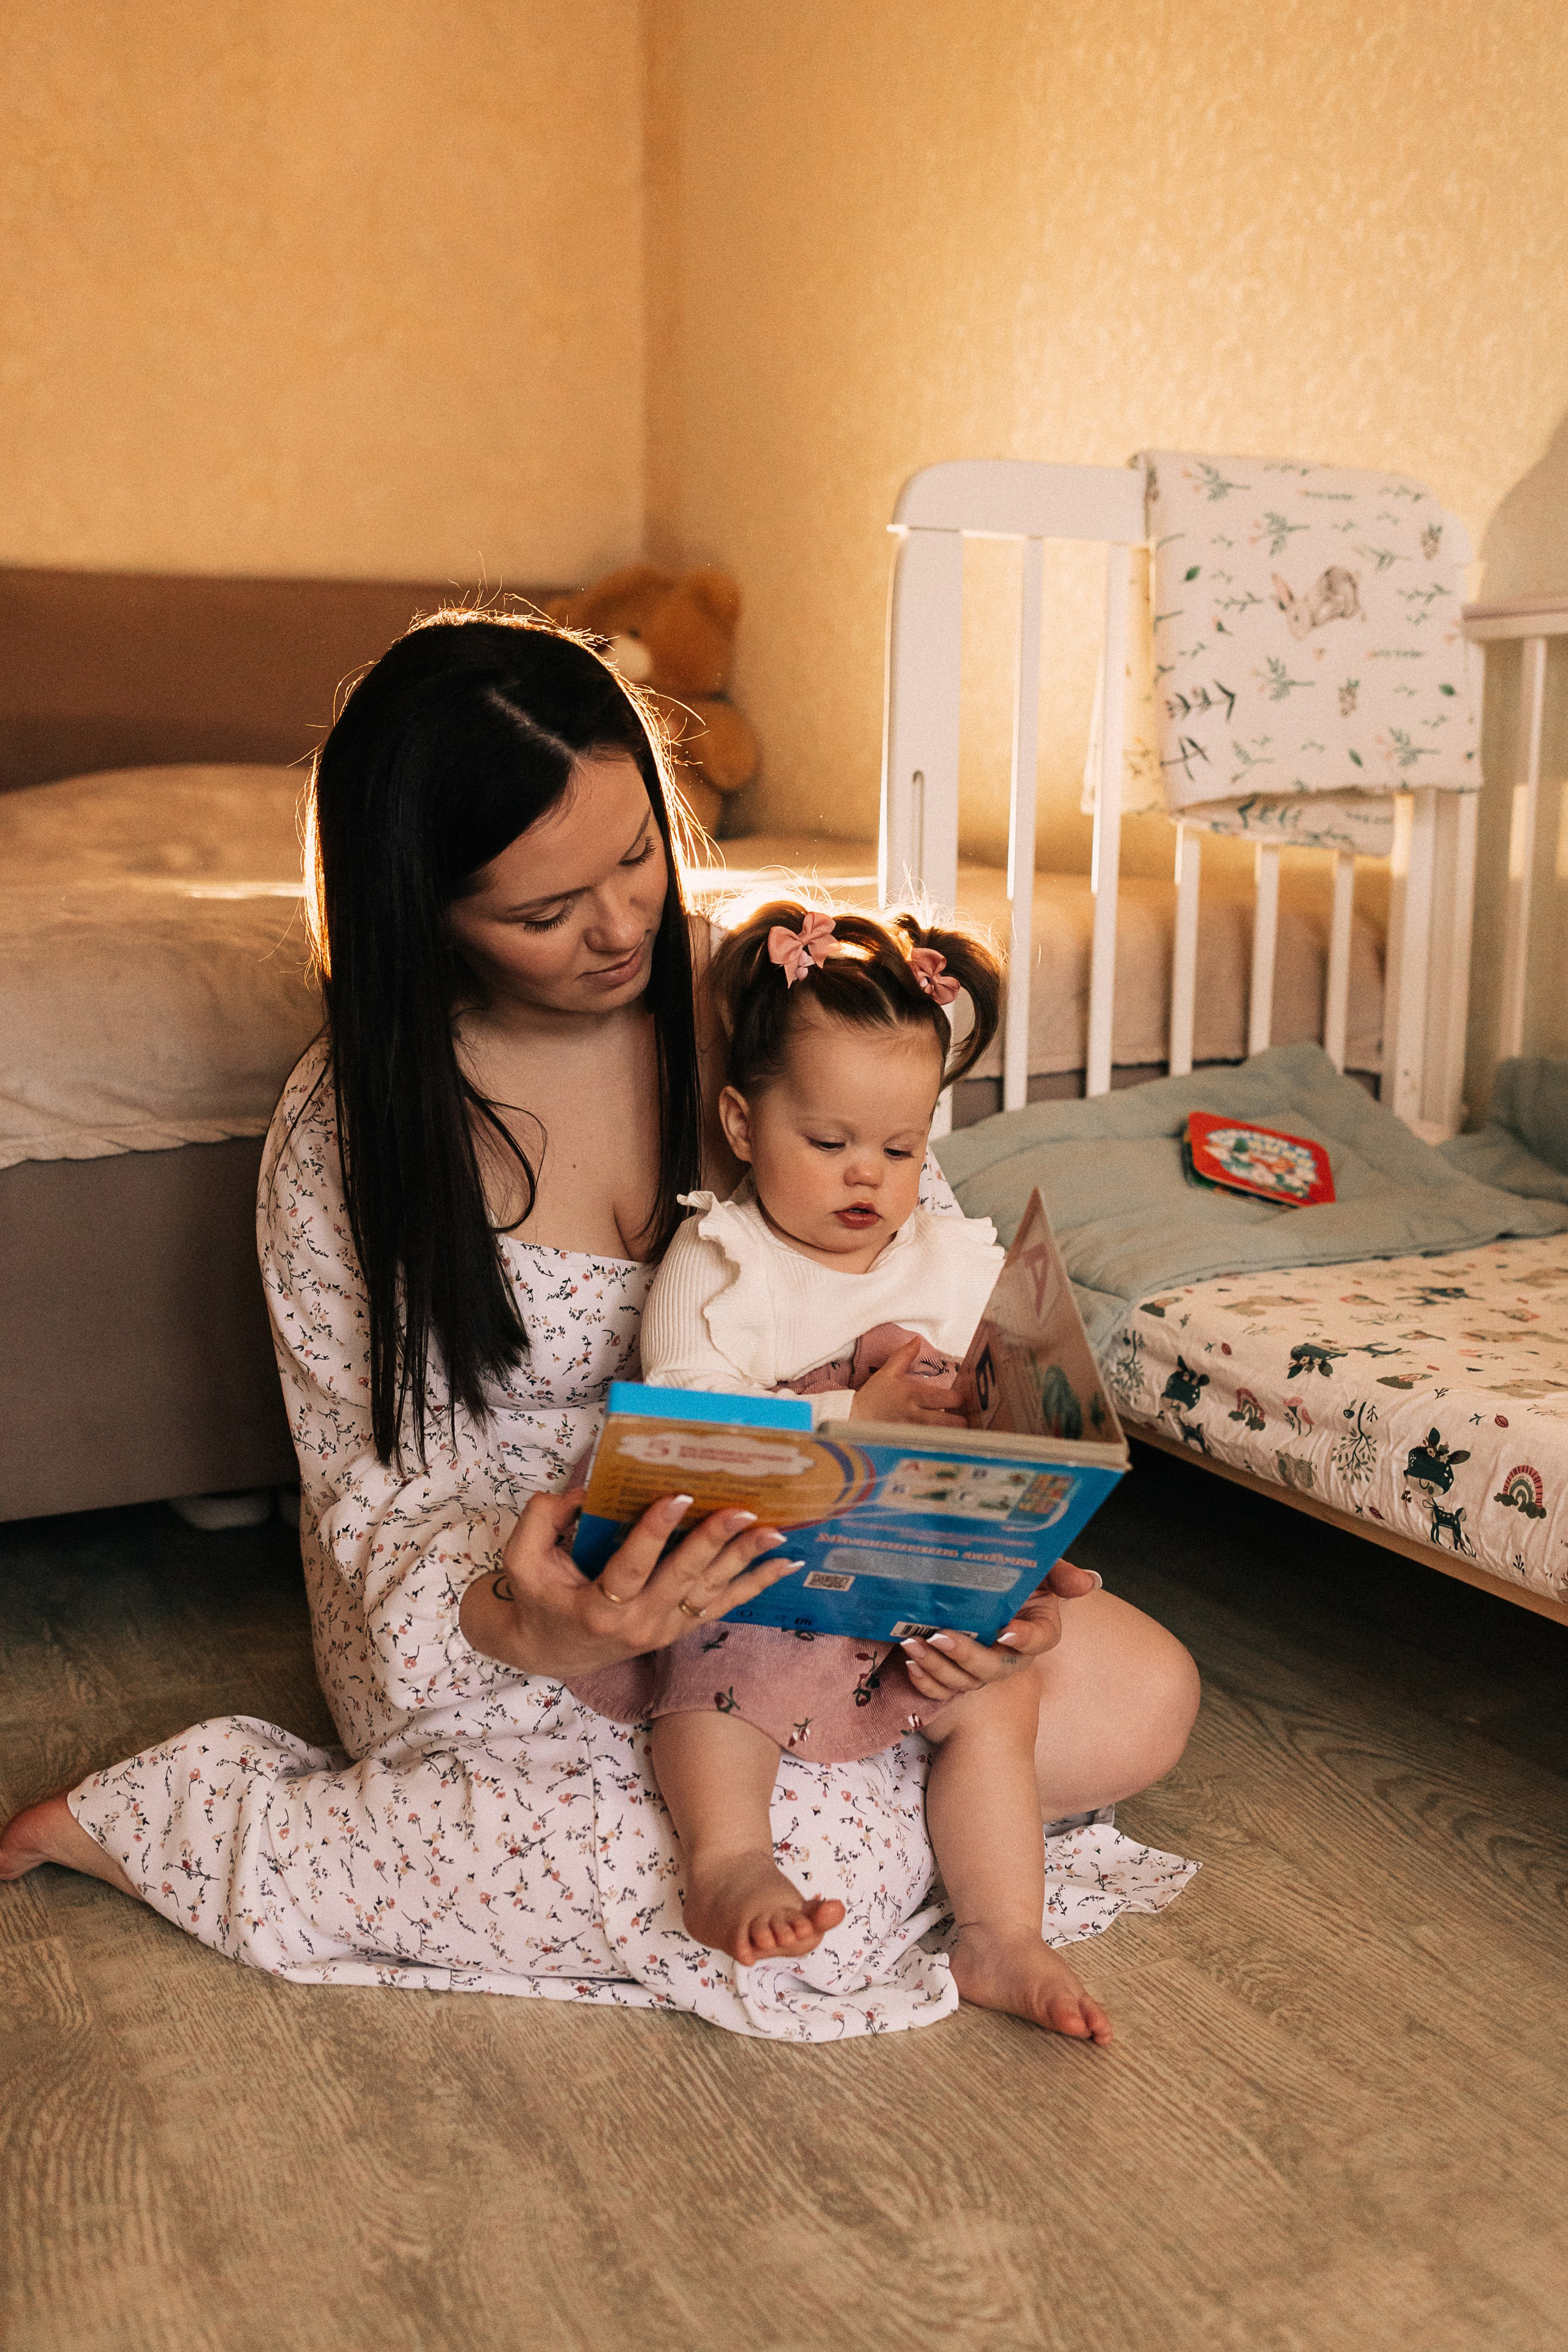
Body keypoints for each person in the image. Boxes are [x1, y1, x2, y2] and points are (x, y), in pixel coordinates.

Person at [0, 612, 1199, 2044]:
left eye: (635, 857)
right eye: (543, 908)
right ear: (422, 907)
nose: (622, 926)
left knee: (1136, 1700)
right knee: (826, 1879)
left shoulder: (770, 1014)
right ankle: (197, 1816)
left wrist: (976, 1540)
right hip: (520, 1607)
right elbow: (370, 1501)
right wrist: (543, 1617)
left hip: (817, 1568)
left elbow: (910, 1284)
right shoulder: (361, 1127)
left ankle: (785, 1806)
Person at [568, 897, 1117, 2040]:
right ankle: (727, 1860)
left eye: (902, 1148)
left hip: (905, 1564)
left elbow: (995, 1408)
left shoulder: (950, 1255)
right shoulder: (722, 1255)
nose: (869, 1174)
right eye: (830, 1144)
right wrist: (847, 1410)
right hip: (760, 1565)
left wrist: (1018, 1486)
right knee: (719, 1673)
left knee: (996, 1702)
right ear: (741, 1120)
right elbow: (691, 1417)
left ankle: (1001, 1933)